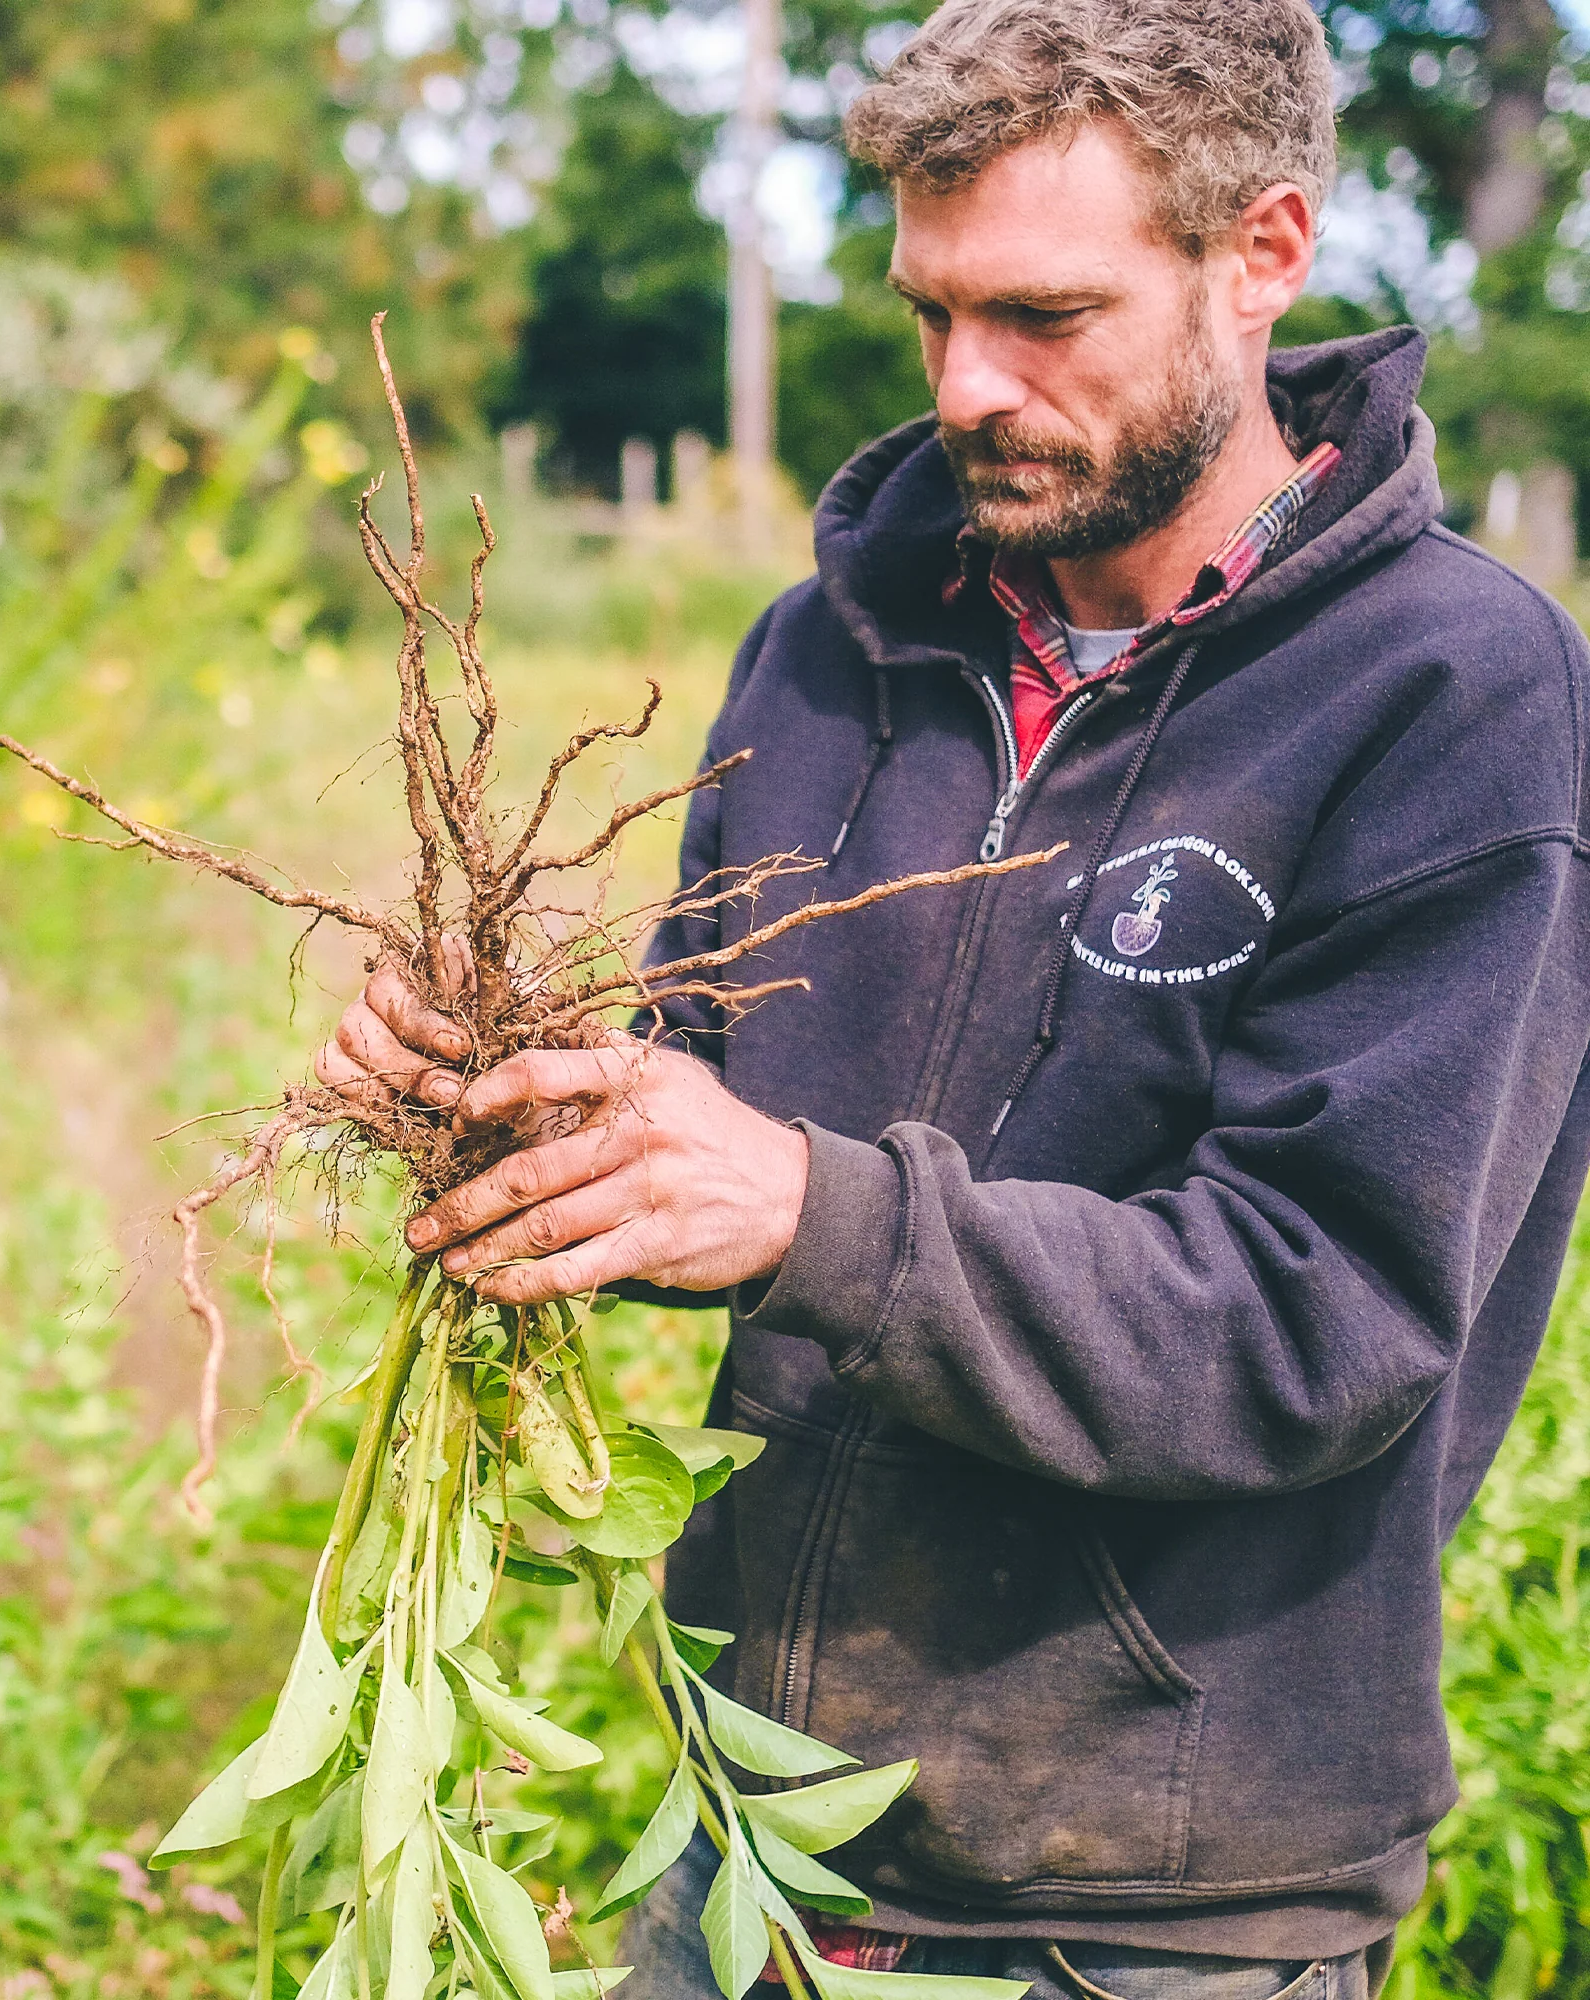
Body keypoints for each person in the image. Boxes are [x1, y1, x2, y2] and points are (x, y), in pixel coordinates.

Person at [314, 0, 1590, 1992]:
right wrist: (524, 1115)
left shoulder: (1451, 698)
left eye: (1043, 316)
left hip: (1155, 1906)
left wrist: (803, 1207)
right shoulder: (829, 655)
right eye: (927, 313)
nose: (962, 386)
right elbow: (713, 1104)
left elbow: (1319, 1319)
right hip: (759, 1843)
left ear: (1260, 255)